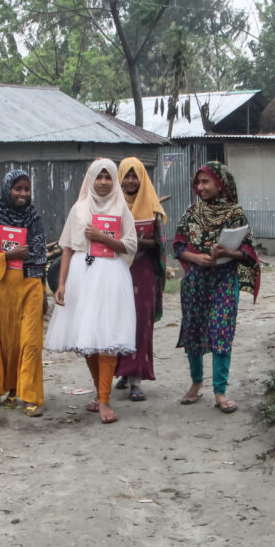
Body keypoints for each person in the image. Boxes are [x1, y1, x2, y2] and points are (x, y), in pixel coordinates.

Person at [45, 158, 137, 424]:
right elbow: (68, 248)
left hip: (111, 276)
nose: (104, 182)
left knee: (106, 338)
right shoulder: (79, 209)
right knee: (88, 340)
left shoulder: (121, 208)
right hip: (81, 276)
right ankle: (100, 391)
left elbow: (130, 245)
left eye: (109, 177)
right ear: (91, 179)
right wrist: (61, 284)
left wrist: (104, 238)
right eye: (99, 177)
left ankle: (106, 400)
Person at [174, 161, 260, 414]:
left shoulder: (235, 214)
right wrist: (196, 258)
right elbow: (178, 246)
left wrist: (229, 252)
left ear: (220, 183)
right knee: (194, 331)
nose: (200, 187)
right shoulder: (191, 213)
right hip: (195, 282)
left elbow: (249, 252)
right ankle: (196, 382)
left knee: (221, 331)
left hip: (224, 280)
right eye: (198, 183)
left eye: (205, 182)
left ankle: (220, 392)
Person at [0, 169, 47, 417]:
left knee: (30, 343)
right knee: (8, 345)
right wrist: (8, 256)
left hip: (30, 287)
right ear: (8, 190)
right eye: (18, 188)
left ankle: (30, 396)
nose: (23, 194)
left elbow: (40, 258)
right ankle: (12, 390)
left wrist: (44, 292)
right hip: (5, 290)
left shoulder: (35, 220)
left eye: (26, 189)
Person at [114, 157, 167, 402]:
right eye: (127, 175)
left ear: (142, 178)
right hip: (116, 272)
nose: (131, 181)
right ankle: (122, 371)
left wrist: (133, 240)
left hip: (143, 272)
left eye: (136, 176)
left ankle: (136, 380)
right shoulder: (110, 206)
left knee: (140, 324)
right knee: (116, 322)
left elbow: (159, 243)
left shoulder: (152, 207)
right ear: (120, 178)